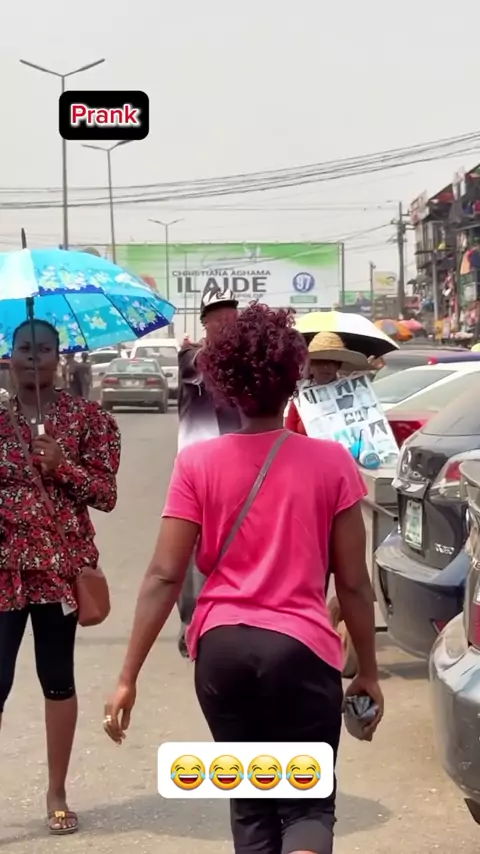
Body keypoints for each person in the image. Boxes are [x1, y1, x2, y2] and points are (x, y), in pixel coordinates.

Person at [104, 303, 383, 854]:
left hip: (222, 652)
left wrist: (127, 676)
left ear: (225, 383)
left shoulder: (197, 464)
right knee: (306, 806)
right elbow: (353, 583)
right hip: (302, 651)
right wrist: (368, 672)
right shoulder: (332, 464)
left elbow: (164, 575)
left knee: (253, 806)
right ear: (292, 377)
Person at [0, 319, 121, 835]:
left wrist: (62, 465)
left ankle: (57, 790)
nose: (33, 357)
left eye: (44, 349)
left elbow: (106, 495)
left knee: (57, 678)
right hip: (4, 571)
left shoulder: (87, 420)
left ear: (60, 357)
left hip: (58, 571)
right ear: (10, 355)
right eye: (24, 348)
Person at [176, 287, 242, 656]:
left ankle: (229, 617)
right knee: (192, 545)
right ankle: (191, 623)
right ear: (204, 324)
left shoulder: (247, 364)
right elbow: (204, 364)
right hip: (197, 469)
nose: (225, 323)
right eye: (217, 318)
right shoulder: (191, 358)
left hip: (240, 466)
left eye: (231, 317)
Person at [285, 331, 369, 435]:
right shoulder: (299, 400)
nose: (325, 367)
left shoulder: (355, 395)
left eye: (332, 362)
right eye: (320, 362)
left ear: (338, 365)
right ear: (311, 365)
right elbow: (288, 435)